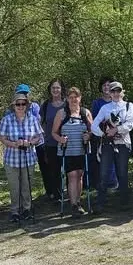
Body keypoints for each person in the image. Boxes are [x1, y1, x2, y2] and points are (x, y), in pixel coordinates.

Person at [91, 81, 133, 213]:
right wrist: (104, 134)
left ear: (122, 92)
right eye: (113, 91)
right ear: (109, 93)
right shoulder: (105, 108)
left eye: (118, 91)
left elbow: (130, 123)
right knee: (104, 173)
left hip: (123, 144)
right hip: (107, 144)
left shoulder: (128, 105)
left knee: (122, 173)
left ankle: (124, 202)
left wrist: (116, 130)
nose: (116, 93)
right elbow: (94, 125)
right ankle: (101, 203)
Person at [0, 92, 44, 222]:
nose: (20, 106)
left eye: (23, 104)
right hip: (11, 159)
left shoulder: (33, 119)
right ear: (13, 106)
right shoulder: (7, 119)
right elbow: (2, 138)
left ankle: (27, 209)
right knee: (14, 187)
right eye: (17, 104)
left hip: (28, 158)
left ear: (27, 105)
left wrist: (29, 143)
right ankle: (15, 211)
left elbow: (39, 136)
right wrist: (14, 144)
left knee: (27, 186)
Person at [51, 87, 92, 217]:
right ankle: (74, 204)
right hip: (67, 149)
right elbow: (54, 132)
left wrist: (88, 135)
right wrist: (60, 139)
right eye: (71, 97)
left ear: (80, 98)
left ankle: (78, 202)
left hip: (82, 149)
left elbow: (92, 130)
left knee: (80, 175)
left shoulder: (85, 113)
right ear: (67, 99)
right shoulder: (61, 113)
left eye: (76, 97)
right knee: (72, 175)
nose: (74, 100)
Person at [39, 79, 68, 203]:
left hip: (67, 142)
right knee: (54, 171)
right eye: (53, 88)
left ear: (62, 89)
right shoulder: (45, 105)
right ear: (50, 90)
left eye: (58, 87)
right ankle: (57, 196)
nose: (55, 90)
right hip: (51, 143)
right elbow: (41, 123)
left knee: (69, 170)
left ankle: (71, 194)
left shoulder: (67, 104)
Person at [91, 76, 118, 191]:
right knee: (102, 159)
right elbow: (94, 120)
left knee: (115, 159)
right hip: (101, 136)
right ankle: (102, 184)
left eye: (109, 85)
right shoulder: (97, 103)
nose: (106, 87)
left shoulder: (117, 101)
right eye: (104, 85)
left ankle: (114, 183)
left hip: (117, 135)